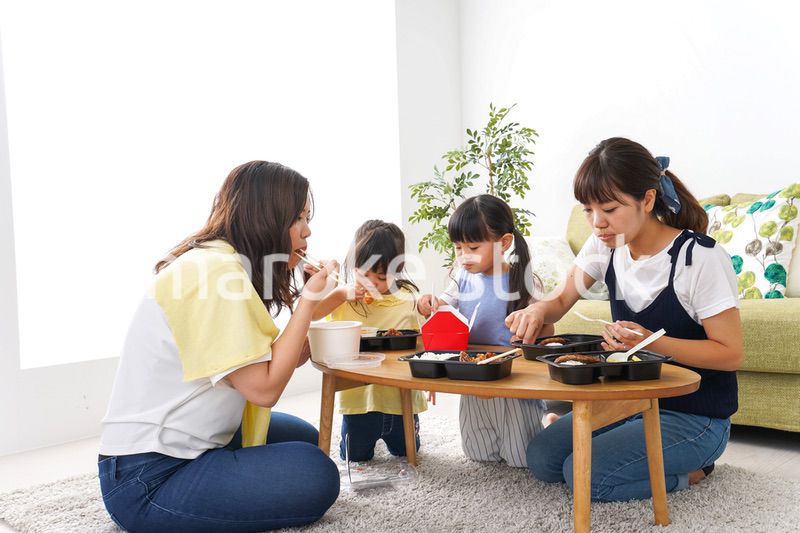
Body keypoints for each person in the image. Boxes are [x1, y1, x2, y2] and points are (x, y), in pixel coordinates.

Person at [98, 161, 341, 531]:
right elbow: (263, 387)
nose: (308, 231)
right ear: (267, 218)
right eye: (298, 218)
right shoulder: (213, 274)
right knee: (316, 472)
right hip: (149, 477)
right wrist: (308, 300)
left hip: (181, 448)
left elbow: (265, 358)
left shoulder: (222, 263)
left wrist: (334, 296)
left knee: (307, 439)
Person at [510, 137, 742, 501]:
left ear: (647, 200)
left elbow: (730, 354)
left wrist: (651, 342)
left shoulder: (699, 257)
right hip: (631, 402)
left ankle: (694, 472)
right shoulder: (605, 243)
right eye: (587, 210)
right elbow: (559, 300)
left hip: (697, 417)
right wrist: (536, 309)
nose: (597, 222)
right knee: (542, 458)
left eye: (609, 208)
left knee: (584, 476)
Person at [417, 194, 553, 468]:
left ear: (503, 243)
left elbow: (549, 330)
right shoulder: (461, 278)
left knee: (521, 458)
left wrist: (534, 324)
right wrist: (426, 304)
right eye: (458, 248)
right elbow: (440, 307)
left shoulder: (521, 280)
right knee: (479, 454)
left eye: (473, 247)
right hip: (472, 370)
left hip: (510, 373)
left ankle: (550, 422)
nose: (464, 256)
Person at [311, 220, 428, 461]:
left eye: (382, 277)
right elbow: (310, 315)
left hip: (400, 402)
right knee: (353, 456)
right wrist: (341, 293)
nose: (371, 284)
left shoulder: (408, 300)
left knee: (407, 452)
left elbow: (424, 344)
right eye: (364, 275)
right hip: (358, 403)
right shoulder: (344, 298)